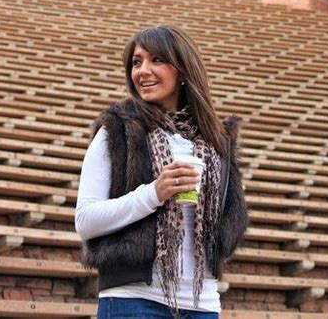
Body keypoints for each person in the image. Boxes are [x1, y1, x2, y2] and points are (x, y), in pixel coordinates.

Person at [75, 25, 248, 319]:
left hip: (202, 303)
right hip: (132, 300)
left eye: (156, 60)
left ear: (183, 68)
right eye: (137, 62)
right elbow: (85, 220)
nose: (143, 71)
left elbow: (231, 223)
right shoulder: (117, 130)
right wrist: (154, 193)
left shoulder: (216, 141)